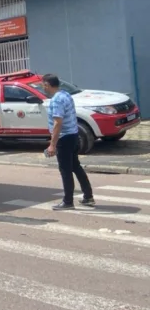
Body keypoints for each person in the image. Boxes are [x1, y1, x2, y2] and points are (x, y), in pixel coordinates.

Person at [42, 73, 96, 210]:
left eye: (43, 85)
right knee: (75, 166)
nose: (43, 88)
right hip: (73, 135)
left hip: (64, 138)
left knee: (66, 170)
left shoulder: (56, 100)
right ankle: (88, 196)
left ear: (47, 85)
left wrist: (52, 145)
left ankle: (68, 201)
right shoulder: (65, 94)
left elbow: (57, 122)